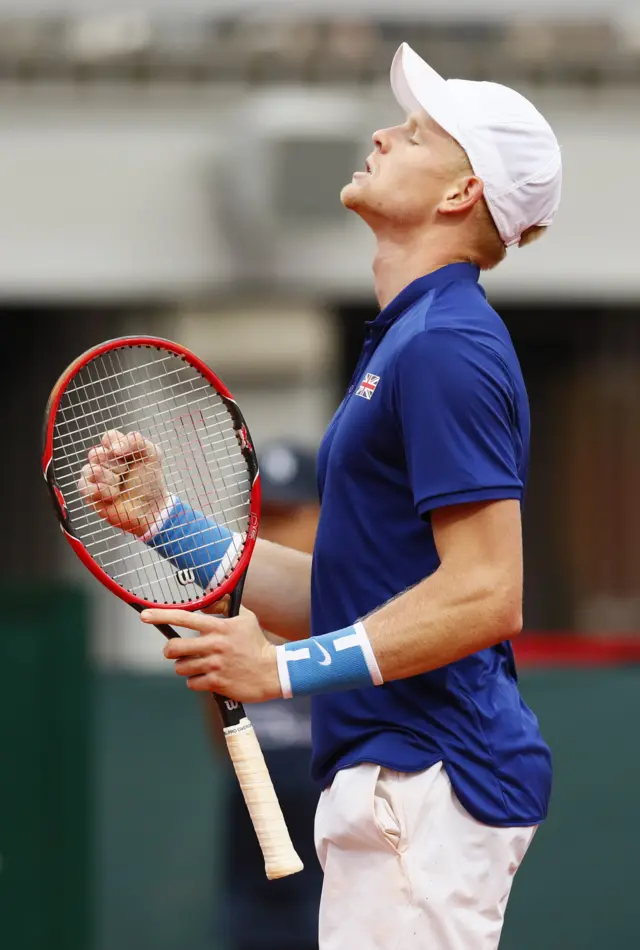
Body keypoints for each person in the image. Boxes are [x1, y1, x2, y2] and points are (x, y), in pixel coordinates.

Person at [79, 42, 562, 950]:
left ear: (460, 196)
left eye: (415, 135)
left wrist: (282, 672)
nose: (381, 135)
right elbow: (348, 594)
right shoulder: (411, 340)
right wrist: (166, 524)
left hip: (427, 781)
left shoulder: (445, 345)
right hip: (399, 785)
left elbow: (486, 594)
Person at [209, 441, 322, 950]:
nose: (271, 531)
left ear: (322, 517)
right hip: (255, 821)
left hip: (338, 821)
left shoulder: (353, 601)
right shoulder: (232, 608)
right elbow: (222, 739)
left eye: (288, 514)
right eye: (262, 516)